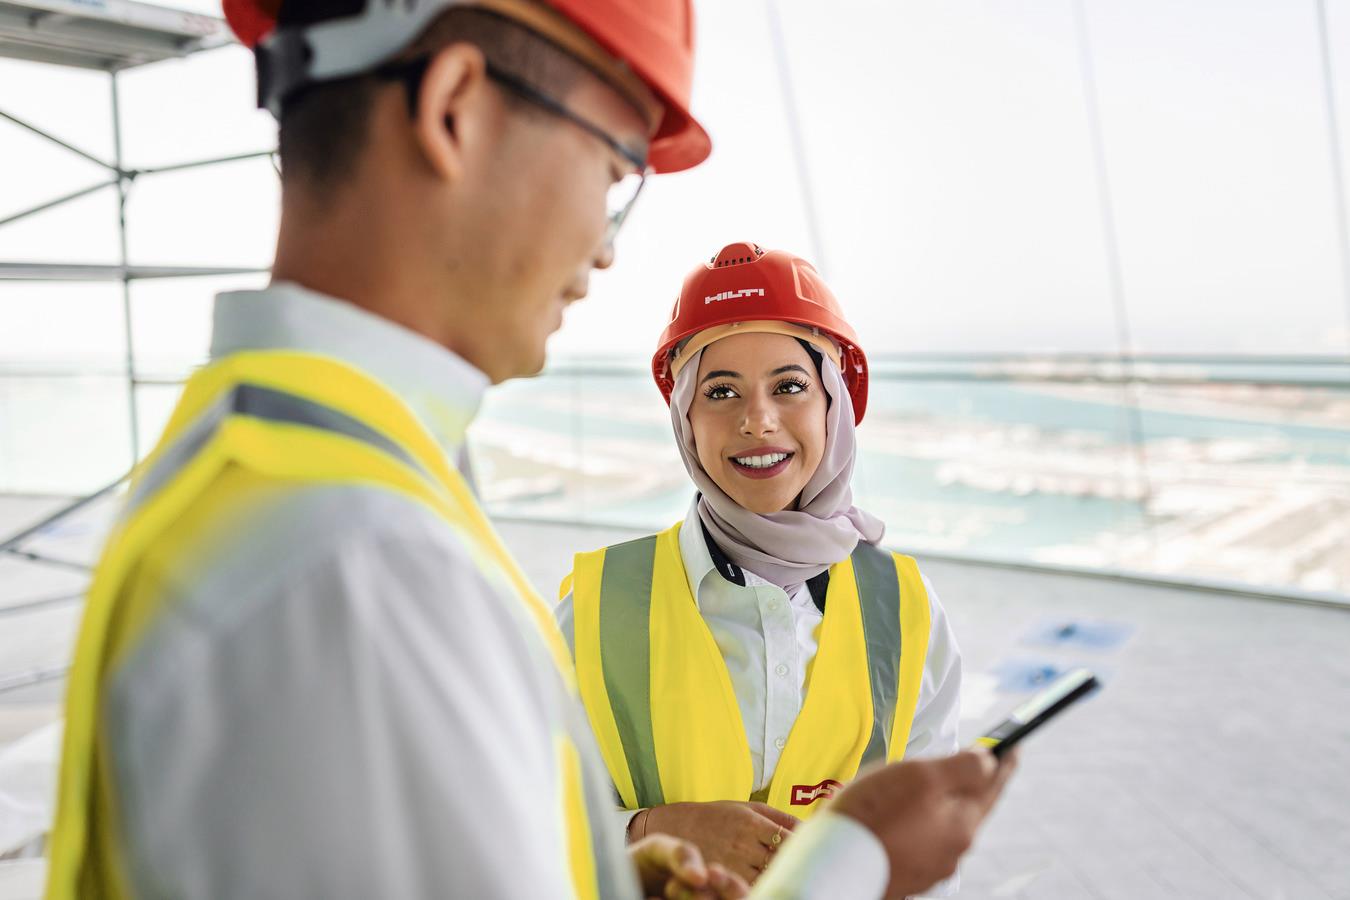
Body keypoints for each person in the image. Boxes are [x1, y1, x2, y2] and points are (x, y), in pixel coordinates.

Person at [43, 2, 1014, 898]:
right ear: (454, 109)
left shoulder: (272, 464)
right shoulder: (357, 568)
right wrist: (859, 859)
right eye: (612, 170)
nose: (604, 248)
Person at [556, 243, 963, 887]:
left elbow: (929, 849)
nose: (757, 420)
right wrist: (652, 829)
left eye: (791, 386)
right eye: (720, 391)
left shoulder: (906, 608)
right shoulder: (597, 604)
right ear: (685, 420)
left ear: (835, 403)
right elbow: (526, 817)